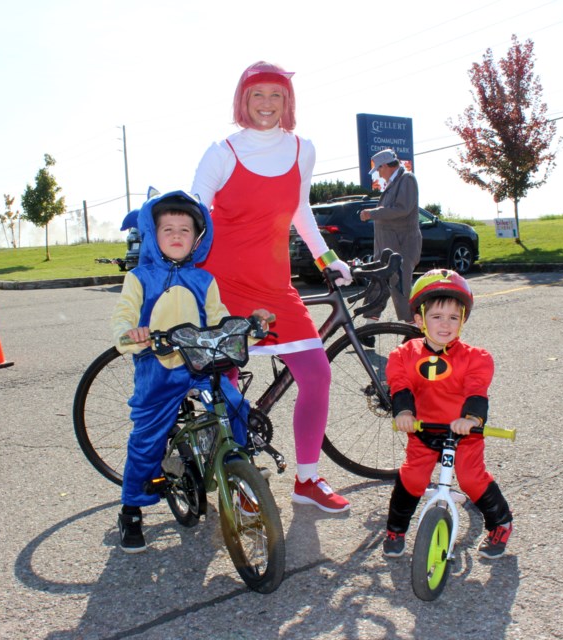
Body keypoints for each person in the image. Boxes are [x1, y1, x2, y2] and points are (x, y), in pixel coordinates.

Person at [191, 60, 354, 513]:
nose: (267, 104)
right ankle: (236, 477)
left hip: (273, 285)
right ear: (243, 100)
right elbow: (192, 215)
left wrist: (328, 258)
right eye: (257, 95)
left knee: (317, 374)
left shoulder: (303, 150)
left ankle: (307, 479)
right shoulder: (221, 151)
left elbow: (299, 210)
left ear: (289, 101)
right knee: (224, 385)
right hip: (220, 284)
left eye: (276, 95)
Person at [111, 190, 271, 553]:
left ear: (199, 237)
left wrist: (246, 328)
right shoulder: (140, 278)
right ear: (152, 234)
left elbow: (217, 320)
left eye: (185, 228)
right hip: (159, 366)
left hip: (202, 365)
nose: (177, 235)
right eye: (167, 228)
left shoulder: (205, 280)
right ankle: (131, 508)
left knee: (235, 410)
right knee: (148, 437)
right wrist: (131, 333)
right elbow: (123, 315)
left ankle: (239, 475)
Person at [380, 269, 514, 559]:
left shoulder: (475, 358)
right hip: (423, 429)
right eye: (437, 317)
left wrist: (472, 419)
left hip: (463, 432)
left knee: (471, 479)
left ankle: (500, 522)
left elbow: (477, 391)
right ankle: (395, 529)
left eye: (454, 318)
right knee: (412, 479)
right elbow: (400, 386)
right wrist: (403, 412)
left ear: (462, 320)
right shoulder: (403, 354)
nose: (445, 325)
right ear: (419, 320)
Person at [358, 149, 423, 323]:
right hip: (388, 245)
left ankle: (413, 329)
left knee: (400, 286)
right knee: (378, 281)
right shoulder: (395, 183)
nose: (378, 174)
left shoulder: (407, 179)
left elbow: (402, 209)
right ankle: (369, 328)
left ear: (386, 166)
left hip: (402, 245)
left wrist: (373, 213)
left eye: (379, 169)